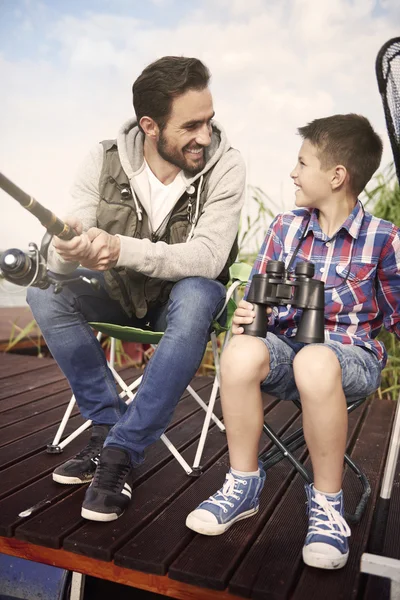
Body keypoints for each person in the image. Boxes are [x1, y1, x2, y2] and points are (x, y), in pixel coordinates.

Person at [27, 56, 245, 522]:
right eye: (191, 126)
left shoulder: (227, 164)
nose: (205, 136)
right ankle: (106, 426)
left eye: (208, 120)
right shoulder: (102, 158)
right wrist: (70, 248)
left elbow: (207, 257)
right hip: (116, 296)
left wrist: (120, 248)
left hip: (178, 309)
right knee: (44, 292)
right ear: (150, 125)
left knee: (201, 292)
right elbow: (63, 254)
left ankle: (121, 452)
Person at [186, 114, 400, 570]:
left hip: (349, 360)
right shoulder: (286, 227)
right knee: (241, 351)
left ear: (337, 175)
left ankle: (327, 504)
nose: (293, 173)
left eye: (302, 163)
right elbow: (258, 297)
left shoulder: (385, 240)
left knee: (317, 361)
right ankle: (243, 483)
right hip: (287, 350)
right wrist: (246, 315)